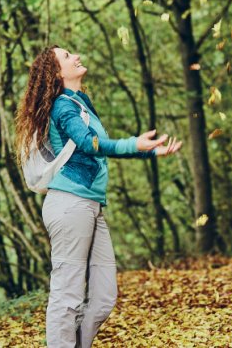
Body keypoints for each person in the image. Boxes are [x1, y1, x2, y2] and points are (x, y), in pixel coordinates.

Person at [14, 46, 182, 347]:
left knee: (104, 297)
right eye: (66, 56)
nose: (76, 56)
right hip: (69, 205)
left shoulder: (81, 103)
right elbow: (89, 144)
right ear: (56, 72)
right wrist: (134, 143)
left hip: (90, 205)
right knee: (68, 295)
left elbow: (101, 149)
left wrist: (151, 152)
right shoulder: (63, 107)